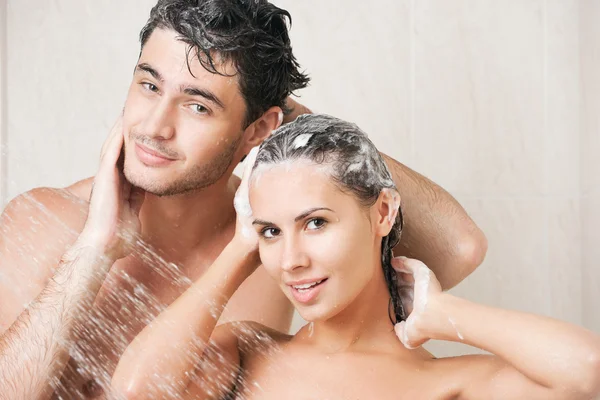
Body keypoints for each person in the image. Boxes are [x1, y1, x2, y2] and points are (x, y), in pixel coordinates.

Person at [0, 1, 486, 399]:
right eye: (149, 85)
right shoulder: (44, 221)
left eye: (197, 105)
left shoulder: (278, 247)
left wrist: (305, 132)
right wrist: (94, 250)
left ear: (257, 129)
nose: (153, 126)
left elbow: (458, 249)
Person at [112, 114, 600, 400]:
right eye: (272, 232)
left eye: (316, 223)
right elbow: (135, 391)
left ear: (383, 211)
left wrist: (443, 313)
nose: (291, 260)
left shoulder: (447, 383)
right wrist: (244, 244)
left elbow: (588, 370)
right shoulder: (247, 352)